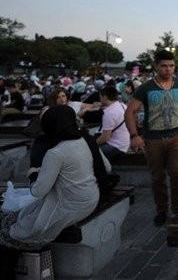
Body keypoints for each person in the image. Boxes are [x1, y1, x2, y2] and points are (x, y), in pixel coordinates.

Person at [0, 105, 108, 276]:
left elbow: (38, 192)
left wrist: (34, 174)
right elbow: (105, 168)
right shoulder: (83, 140)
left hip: (67, 207)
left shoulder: (56, 153)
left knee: (13, 234)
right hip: (89, 199)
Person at [125, 49, 178, 226]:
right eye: (164, 66)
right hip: (153, 139)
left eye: (171, 66)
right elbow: (130, 112)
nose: (168, 69)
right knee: (157, 177)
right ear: (156, 67)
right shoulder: (146, 87)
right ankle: (161, 209)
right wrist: (134, 136)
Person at [96, 86, 130, 160]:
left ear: (105, 97)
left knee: (90, 152)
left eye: (100, 97)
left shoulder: (109, 113)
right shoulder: (123, 105)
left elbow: (105, 137)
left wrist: (91, 145)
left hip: (116, 146)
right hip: (125, 142)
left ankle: (102, 170)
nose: (100, 99)